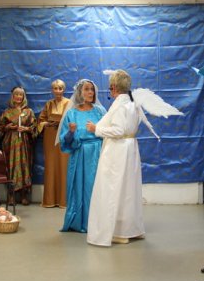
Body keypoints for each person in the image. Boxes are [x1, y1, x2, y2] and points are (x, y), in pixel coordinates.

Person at [86, 69, 183, 246]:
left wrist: (96, 129)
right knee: (129, 190)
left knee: (114, 188)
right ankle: (131, 229)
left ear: (115, 87)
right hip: (130, 148)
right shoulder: (132, 103)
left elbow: (118, 130)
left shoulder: (120, 105)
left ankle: (118, 231)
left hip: (118, 150)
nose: (110, 91)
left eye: (110, 87)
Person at [57, 79, 105, 232]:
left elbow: (108, 131)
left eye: (92, 89)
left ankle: (98, 222)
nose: (90, 92)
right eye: (87, 89)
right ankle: (80, 221)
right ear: (79, 92)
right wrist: (71, 132)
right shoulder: (71, 113)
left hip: (97, 154)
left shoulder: (100, 111)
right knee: (79, 188)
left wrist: (96, 129)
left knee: (95, 187)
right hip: (79, 155)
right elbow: (65, 140)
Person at [0, 86, 37, 206]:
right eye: (16, 94)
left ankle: (24, 194)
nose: (19, 97)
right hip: (10, 143)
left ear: (23, 97)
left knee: (24, 166)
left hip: (24, 143)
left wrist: (26, 128)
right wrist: (8, 127)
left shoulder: (28, 112)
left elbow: (35, 127)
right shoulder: (7, 112)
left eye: (21, 95)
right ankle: (11, 195)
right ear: (13, 96)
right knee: (11, 166)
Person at [37, 79, 70, 208]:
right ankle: (50, 200)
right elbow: (41, 121)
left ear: (64, 89)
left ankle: (64, 200)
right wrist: (47, 123)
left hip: (64, 137)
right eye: (55, 88)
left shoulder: (69, 103)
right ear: (52, 90)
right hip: (50, 137)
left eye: (60, 88)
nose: (58, 91)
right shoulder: (49, 104)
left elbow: (72, 120)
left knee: (64, 166)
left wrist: (62, 123)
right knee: (50, 166)